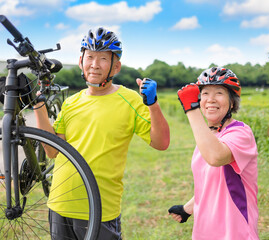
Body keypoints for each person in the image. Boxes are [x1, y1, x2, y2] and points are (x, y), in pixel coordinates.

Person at [33, 27, 170, 239]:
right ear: (81, 61)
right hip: (59, 204)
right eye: (90, 57)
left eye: (103, 59)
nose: (95, 64)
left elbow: (161, 143)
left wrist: (152, 104)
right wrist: (38, 108)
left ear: (116, 67)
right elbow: (52, 151)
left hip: (100, 209)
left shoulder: (130, 99)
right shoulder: (71, 102)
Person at [168, 67, 259, 239]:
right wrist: (187, 208)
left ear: (232, 102)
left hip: (234, 231)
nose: (210, 99)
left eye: (219, 93)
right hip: (205, 231)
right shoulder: (208, 136)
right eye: (205, 93)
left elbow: (216, 157)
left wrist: (191, 110)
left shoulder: (241, 133)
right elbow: (211, 184)